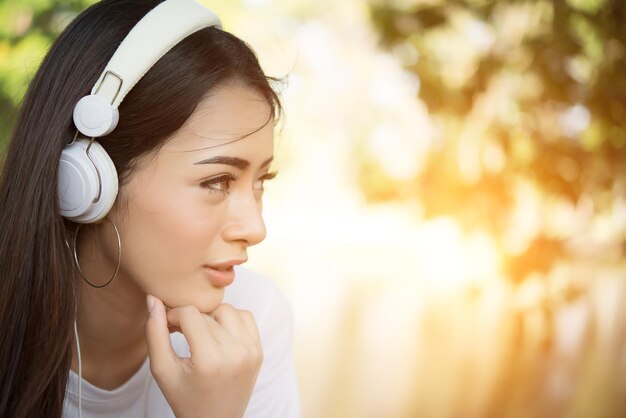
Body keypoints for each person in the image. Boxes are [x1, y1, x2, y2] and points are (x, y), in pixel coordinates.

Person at [0, 0, 301, 417]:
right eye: (216, 181)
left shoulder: (255, 320)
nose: (255, 228)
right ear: (88, 181)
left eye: (260, 182)